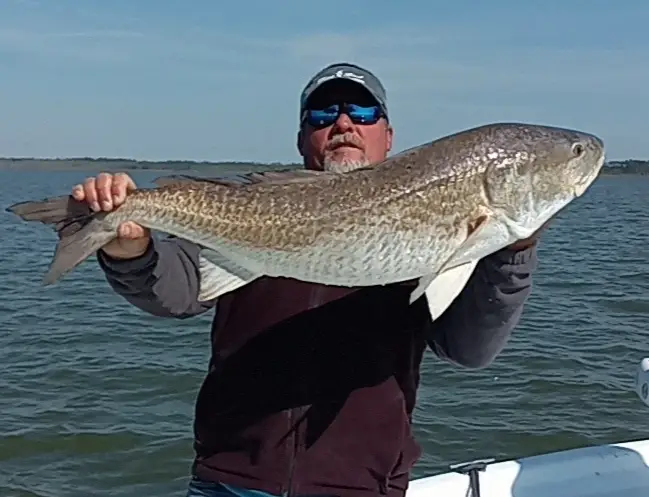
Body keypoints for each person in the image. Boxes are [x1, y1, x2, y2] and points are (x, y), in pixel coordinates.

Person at [72, 63, 543, 497]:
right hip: (229, 482)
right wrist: (130, 250)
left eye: (362, 111)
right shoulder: (253, 206)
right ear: (301, 138)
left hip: (363, 488)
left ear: (388, 135)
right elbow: (177, 292)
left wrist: (514, 250)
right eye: (323, 114)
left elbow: (468, 349)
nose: (343, 124)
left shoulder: (440, 220)